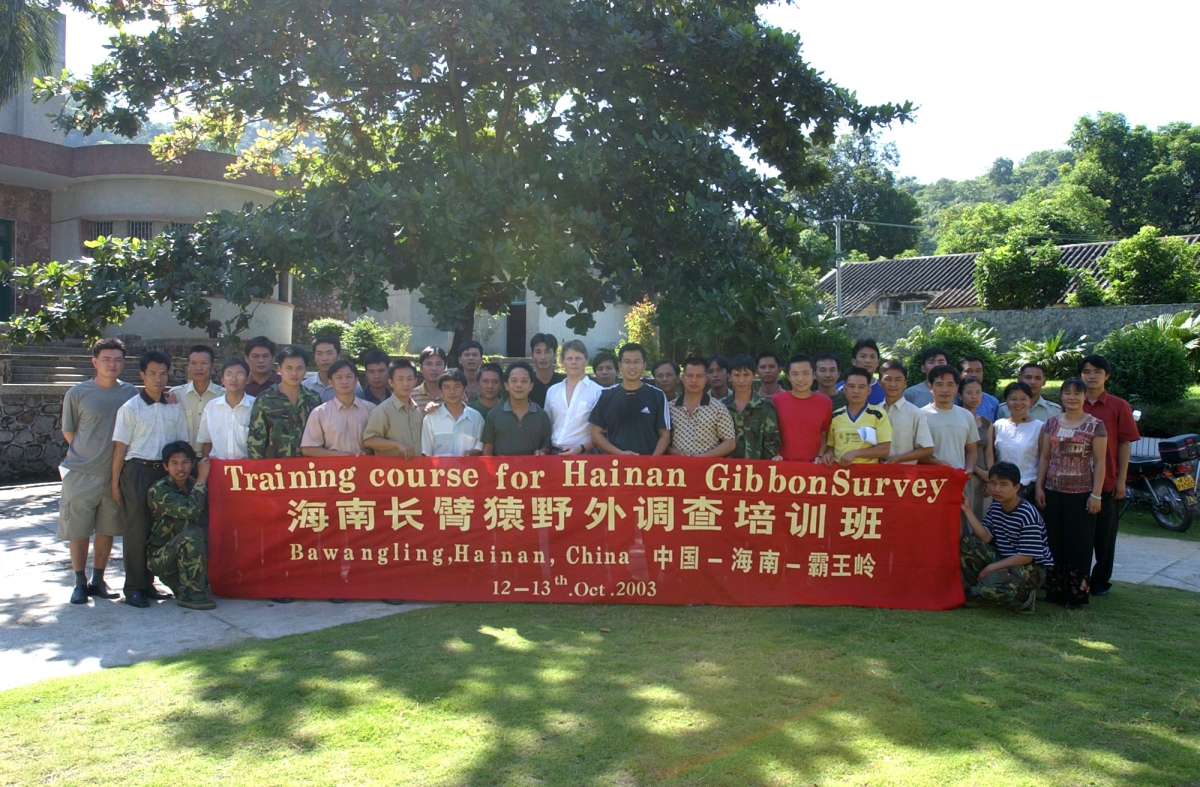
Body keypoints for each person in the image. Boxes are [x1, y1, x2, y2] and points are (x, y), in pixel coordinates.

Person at [58, 338, 137, 605]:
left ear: (123, 363)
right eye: (106, 359)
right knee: (78, 530)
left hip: (114, 475)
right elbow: (69, 431)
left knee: (107, 529)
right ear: (95, 362)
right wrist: (88, 455)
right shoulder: (77, 393)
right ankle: (79, 582)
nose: (112, 364)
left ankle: (98, 579)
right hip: (80, 473)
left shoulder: (130, 393)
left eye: (117, 359)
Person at [111, 349, 190, 608]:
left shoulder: (174, 407)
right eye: (152, 373)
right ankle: (133, 587)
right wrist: (114, 483)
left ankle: (150, 583)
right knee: (136, 530)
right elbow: (120, 450)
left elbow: (181, 444)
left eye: (163, 374)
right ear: (142, 375)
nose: (158, 379)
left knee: (160, 530)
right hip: (137, 472)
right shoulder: (130, 408)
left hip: (164, 473)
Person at [1036, 376, 1108, 609]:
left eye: (1077, 393)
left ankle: (1076, 594)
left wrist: (1096, 495)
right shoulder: (1052, 423)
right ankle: (1054, 590)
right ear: (1062, 396)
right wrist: (1039, 486)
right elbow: (1045, 457)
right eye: (1068, 393)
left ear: (1085, 397)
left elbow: (1099, 462)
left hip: (1081, 494)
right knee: (1054, 542)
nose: (1072, 397)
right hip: (1053, 492)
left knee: (1079, 544)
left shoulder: (1095, 425)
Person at [1079, 354, 1139, 597]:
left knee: (1104, 538)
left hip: (1108, 481)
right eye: (1086, 371)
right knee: (1080, 536)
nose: (1091, 376)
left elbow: (1124, 444)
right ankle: (1078, 578)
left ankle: (1101, 581)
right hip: (1076, 481)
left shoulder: (1118, 406)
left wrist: (1122, 479)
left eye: (1097, 371)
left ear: (1107, 375)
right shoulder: (1073, 402)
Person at [960, 462, 1054, 615]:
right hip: (1005, 558)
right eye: (993, 483)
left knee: (987, 587)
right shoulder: (996, 507)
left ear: (1016, 487)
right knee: (969, 544)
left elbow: (1026, 557)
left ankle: (1024, 595)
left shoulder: (1027, 514)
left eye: (1003, 485)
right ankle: (981, 591)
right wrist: (967, 510)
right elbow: (985, 536)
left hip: (1030, 568)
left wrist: (991, 568)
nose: (997, 489)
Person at [146, 442, 215, 610]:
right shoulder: (159, 490)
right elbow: (191, 510)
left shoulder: (192, 486)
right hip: (163, 559)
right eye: (174, 463)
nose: (180, 468)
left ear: (192, 464)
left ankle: (191, 586)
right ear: (165, 466)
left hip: (190, 558)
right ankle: (192, 595)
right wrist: (201, 478)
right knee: (193, 533)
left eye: (184, 462)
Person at [590, 343, 671, 456]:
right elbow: (595, 433)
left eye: (637, 361)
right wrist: (619, 454)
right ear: (620, 365)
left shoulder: (657, 395)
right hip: (615, 466)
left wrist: (652, 461)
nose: (632, 366)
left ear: (644, 365)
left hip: (649, 468)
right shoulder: (606, 395)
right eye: (627, 362)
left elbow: (665, 435)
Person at [247, 346, 322, 459]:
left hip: (307, 471)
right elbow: (256, 443)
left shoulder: (313, 399)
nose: (294, 373)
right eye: (289, 368)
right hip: (275, 471)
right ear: (279, 369)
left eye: (299, 368)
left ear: (306, 370)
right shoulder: (265, 400)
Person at [301, 360, 377, 456]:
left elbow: (379, 443)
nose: (344, 381)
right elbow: (308, 449)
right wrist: (342, 456)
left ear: (356, 380)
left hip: (365, 468)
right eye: (339, 377)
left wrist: (366, 452)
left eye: (349, 377)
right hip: (332, 469)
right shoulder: (319, 413)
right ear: (331, 382)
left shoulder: (371, 410)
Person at [668, 356, 737, 457]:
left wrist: (702, 458)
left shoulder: (718, 408)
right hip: (677, 470)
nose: (694, 380)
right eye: (690, 375)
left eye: (699, 376)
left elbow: (730, 443)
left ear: (706, 378)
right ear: (683, 378)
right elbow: (662, 439)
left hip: (708, 470)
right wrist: (674, 452)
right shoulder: (669, 408)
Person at [823, 366, 891, 465]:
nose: (856, 391)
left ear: (868, 390)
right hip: (839, 476)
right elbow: (831, 446)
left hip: (866, 477)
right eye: (851, 386)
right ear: (845, 389)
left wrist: (855, 453)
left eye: (861, 387)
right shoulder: (836, 415)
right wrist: (828, 454)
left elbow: (884, 449)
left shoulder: (878, 414)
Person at [989, 381, 1044, 502]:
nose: (1018, 403)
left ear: (1030, 401)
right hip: (1001, 489)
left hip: (1028, 488)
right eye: (1013, 399)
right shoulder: (998, 426)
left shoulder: (1039, 427)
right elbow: (991, 455)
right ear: (1006, 402)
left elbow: (1043, 459)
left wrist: (1040, 488)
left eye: (1023, 399)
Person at [482, 361, 553, 456]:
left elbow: (546, 446)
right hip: (501, 470)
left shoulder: (542, 416)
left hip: (532, 470)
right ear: (506, 385)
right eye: (514, 380)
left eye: (524, 381)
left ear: (531, 386)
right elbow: (487, 449)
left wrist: (542, 452)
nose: (519, 385)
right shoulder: (494, 415)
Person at [546, 340, 603, 454]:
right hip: (554, 454)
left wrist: (581, 448)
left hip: (585, 454)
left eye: (578, 358)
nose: (573, 362)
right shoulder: (552, 391)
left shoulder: (598, 392)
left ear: (586, 362)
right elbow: (547, 425)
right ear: (562, 362)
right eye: (569, 358)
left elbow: (602, 433)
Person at [920, 366, 979, 475]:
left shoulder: (966, 416)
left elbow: (971, 450)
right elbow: (914, 453)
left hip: (958, 479)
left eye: (950, 385)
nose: (945, 390)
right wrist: (936, 463)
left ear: (957, 388)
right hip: (928, 482)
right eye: (939, 385)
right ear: (930, 387)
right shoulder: (920, 415)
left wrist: (969, 469)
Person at [773, 354, 832, 462]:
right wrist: (775, 454)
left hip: (813, 467)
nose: (800, 379)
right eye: (795, 374)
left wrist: (820, 456)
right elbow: (770, 435)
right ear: (788, 377)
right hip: (782, 466)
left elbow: (824, 435)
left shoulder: (825, 402)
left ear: (814, 375)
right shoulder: (776, 401)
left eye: (805, 373)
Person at [363, 359, 425, 459]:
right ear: (391, 382)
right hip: (392, 472)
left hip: (416, 471)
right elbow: (369, 440)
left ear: (415, 381)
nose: (405, 383)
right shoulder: (383, 410)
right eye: (400, 379)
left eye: (409, 379)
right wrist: (397, 445)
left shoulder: (418, 410)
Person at [197, 358, 256, 460]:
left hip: (247, 469)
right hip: (217, 468)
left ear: (247, 379)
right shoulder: (211, 407)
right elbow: (207, 441)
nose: (233, 379)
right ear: (222, 380)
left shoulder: (256, 406)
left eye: (239, 375)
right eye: (229, 374)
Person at [169, 345, 224, 454]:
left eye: (203, 363)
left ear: (213, 366)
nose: (198, 368)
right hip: (184, 462)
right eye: (193, 363)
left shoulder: (223, 396)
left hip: (214, 460)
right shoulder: (175, 395)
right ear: (188, 366)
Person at [878, 360, 934, 465]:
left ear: (905, 383)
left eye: (898, 380)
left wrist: (899, 459)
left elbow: (927, 449)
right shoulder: (874, 412)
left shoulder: (916, 413)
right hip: (876, 475)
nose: (893, 384)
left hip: (906, 476)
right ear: (880, 382)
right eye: (888, 379)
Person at [726, 354, 781, 460]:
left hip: (756, 472)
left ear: (754, 375)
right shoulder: (721, 406)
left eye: (746, 375)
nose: (741, 380)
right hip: (725, 471)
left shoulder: (766, 406)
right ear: (729, 376)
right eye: (737, 375)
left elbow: (772, 442)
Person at [421, 369, 485, 457]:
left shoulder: (476, 417)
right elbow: (426, 452)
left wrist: (471, 453)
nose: (452, 392)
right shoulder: (431, 418)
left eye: (457, 386)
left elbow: (480, 446)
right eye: (447, 387)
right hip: (439, 470)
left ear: (464, 388)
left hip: (468, 470)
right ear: (441, 390)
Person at [960, 376, 992, 521]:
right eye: (969, 392)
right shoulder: (957, 419)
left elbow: (989, 452)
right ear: (960, 395)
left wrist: (991, 478)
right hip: (965, 474)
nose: (974, 396)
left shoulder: (986, 421)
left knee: (983, 515)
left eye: (978, 392)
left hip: (985, 478)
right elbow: (962, 451)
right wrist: (978, 471)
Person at [303, 335, 363, 402]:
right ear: (314, 357)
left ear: (338, 356)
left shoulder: (351, 385)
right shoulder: (305, 386)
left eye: (329, 353)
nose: (324, 358)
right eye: (319, 354)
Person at [996, 363, 1062, 422]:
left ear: (1044, 381)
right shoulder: (1003, 409)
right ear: (1019, 380)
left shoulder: (1055, 410)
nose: (1032, 382)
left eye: (1038, 378)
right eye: (1028, 377)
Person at [529, 333, 566, 408]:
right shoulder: (527, 384)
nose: (542, 357)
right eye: (538, 352)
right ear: (532, 355)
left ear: (555, 355)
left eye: (547, 352)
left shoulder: (564, 383)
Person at [957, 356, 999, 421]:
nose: (974, 375)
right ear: (959, 374)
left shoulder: (993, 403)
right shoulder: (951, 400)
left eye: (978, 371)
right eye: (969, 371)